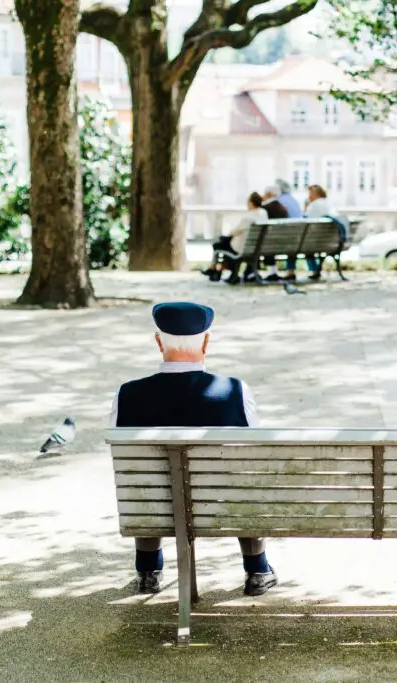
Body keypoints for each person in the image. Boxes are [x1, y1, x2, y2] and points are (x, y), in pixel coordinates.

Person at [110, 302, 278, 596]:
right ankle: (257, 568)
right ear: (207, 342)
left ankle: (148, 570)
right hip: (222, 505)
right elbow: (254, 449)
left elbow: (124, 456)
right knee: (246, 478)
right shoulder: (235, 390)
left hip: (156, 508)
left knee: (146, 482)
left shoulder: (128, 394)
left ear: (159, 342)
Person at [202, 192, 266, 283]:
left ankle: (214, 269)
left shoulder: (248, 218)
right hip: (257, 248)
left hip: (243, 249)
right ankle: (215, 269)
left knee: (219, 244)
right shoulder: (264, 213)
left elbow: (234, 232)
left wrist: (228, 235)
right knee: (221, 242)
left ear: (251, 203)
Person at [303, 184, 347, 282]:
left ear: (314, 194)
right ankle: (316, 271)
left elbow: (307, 221)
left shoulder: (313, 205)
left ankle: (314, 270)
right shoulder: (329, 204)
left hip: (317, 242)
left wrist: (305, 208)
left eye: (310, 194)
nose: (309, 196)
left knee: (306, 246)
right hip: (333, 243)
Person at [255, 185, 289, 283]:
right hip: (282, 242)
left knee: (257, 242)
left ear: (268, 194)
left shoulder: (265, 209)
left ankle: (253, 272)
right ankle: (272, 272)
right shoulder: (283, 208)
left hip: (267, 242)